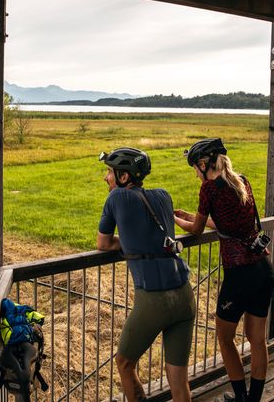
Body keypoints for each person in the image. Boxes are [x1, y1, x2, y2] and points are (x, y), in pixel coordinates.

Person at [174, 138, 274, 402]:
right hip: (263, 268)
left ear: (205, 164)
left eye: (195, 167)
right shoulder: (241, 180)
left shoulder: (209, 189)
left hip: (239, 274)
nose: (196, 173)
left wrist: (173, 218)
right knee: (257, 340)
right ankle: (253, 400)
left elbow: (196, 230)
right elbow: (228, 223)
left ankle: (241, 397)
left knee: (225, 337)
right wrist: (190, 216)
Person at [96, 147, 196, 402]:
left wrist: (127, 243)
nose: (106, 178)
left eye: (109, 172)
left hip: (154, 299)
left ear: (124, 177)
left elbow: (103, 243)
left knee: (125, 363)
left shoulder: (116, 197)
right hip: (184, 295)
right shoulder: (163, 195)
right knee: (178, 378)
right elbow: (158, 236)